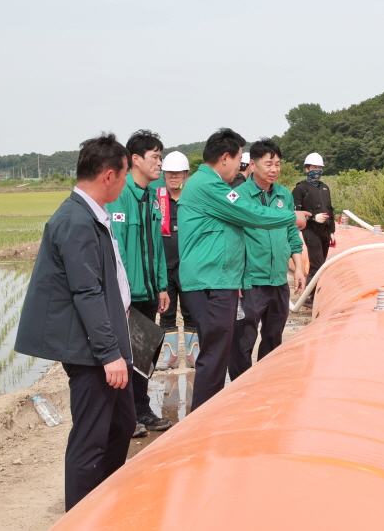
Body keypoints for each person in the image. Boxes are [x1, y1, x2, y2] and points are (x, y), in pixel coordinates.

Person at [14, 133, 134, 511]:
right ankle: (82, 514)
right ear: (109, 176)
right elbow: (87, 292)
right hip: (88, 348)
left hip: (104, 338)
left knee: (122, 424)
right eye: (126, 174)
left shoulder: (89, 215)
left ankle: (103, 499)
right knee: (91, 438)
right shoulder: (76, 221)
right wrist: (109, 353)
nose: (126, 182)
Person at [178, 128, 310, 411]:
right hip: (213, 280)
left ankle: (214, 412)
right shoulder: (211, 187)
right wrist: (291, 217)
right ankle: (205, 417)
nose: (240, 166)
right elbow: (249, 214)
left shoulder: (215, 186)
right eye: (240, 160)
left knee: (221, 350)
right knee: (222, 352)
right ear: (225, 158)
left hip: (222, 279)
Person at [106, 129, 171, 435]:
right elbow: (117, 250)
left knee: (146, 354)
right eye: (155, 156)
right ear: (135, 159)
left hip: (147, 291)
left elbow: (156, 246)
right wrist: (123, 297)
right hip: (127, 295)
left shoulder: (152, 197)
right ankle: (125, 417)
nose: (160, 163)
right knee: (126, 357)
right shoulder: (121, 198)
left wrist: (161, 285)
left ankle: (142, 410)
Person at [228, 138, 305, 381]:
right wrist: (235, 276)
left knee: (274, 336)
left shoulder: (284, 195)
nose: (274, 169)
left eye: (278, 164)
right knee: (243, 339)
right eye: (268, 164)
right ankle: (241, 387)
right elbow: (230, 239)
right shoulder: (237, 196)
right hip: (249, 281)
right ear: (252, 165)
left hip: (278, 281)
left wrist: (299, 268)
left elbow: (292, 232)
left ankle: (266, 384)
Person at [154, 151, 200, 370]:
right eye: (169, 173)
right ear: (163, 175)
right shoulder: (156, 197)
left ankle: (193, 352)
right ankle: (169, 353)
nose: (174, 177)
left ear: (185, 175)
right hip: (165, 265)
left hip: (190, 266)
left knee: (192, 310)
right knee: (166, 310)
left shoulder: (193, 197)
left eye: (178, 173)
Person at [292, 152, 335, 308]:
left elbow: (330, 209)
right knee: (316, 264)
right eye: (314, 167)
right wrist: (313, 218)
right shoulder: (300, 188)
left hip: (324, 230)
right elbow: (295, 214)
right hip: (311, 230)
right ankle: (308, 297)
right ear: (307, 169)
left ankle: (314, 294)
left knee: (321, 264)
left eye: (319, 168)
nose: (317, 170)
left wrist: (332, 231)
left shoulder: (324, 187)